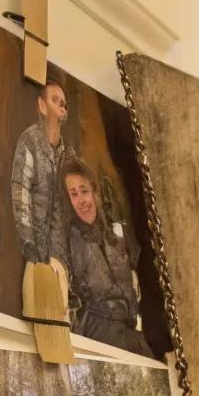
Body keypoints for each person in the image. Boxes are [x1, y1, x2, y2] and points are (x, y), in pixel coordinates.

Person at [63, 158, 152, 357]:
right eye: (74, 194)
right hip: (99, 333)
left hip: (131, 328)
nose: (81, 200)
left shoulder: (117, 231)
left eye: (84, 191)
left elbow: (141, 268)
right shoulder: (69, 241)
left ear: (95, 192)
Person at [10, 71, 70, 269]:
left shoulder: (68, 154)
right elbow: (21, 194)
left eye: (63, 102)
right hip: (34, 258)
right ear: (42, 106)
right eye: (55, 100)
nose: (61, 105)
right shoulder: (29, 141)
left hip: (60, 261)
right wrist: (32, 253)